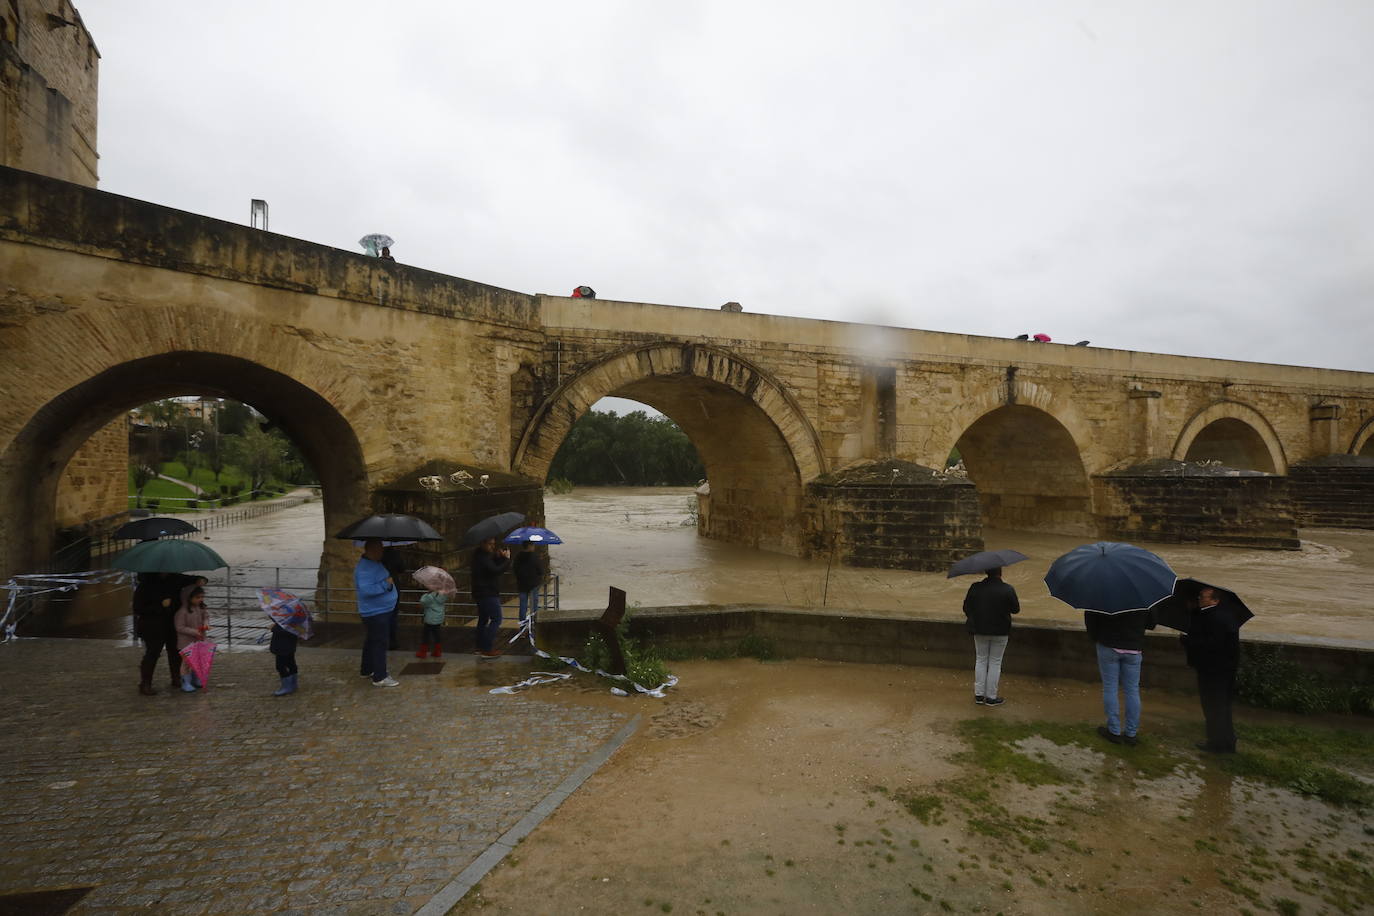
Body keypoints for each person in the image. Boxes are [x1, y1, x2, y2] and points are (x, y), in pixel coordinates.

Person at [1182, 586, 1242, 753]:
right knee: (1221, 706)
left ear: (1215, 600)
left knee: (1213, 706)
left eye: (1203, 596)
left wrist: (1187, 642)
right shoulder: (1223, 615)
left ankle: (1217, 744)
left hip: (1213, 670)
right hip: (1224, 670)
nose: (1199, 599)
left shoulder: (1215, 618)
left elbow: (1210, 644)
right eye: (1199, 596)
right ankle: (1226, 741)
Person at [1085, 606, 1156, 746]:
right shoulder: (1143, 597)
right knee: (1132, 691)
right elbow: (1151, 624)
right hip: (1134, 648)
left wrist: (1096, 638)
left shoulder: (1103, 593)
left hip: (1108, 645)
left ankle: (1114, 731)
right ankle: (1131, 734)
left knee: (1110, 688)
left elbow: (1091, 619)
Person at [962, 567, 1019, 707]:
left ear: (986, 573)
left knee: (981, 660)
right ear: (1000, 573)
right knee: (995, 662)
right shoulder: (1007, 589)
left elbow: (966, 608)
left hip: (980, 629)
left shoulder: (975, 587)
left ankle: (979, 695)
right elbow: (1015, 609)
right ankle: (991, 697)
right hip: (1001, 631)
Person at [133, 571, 194, 695]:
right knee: (152, 653)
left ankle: (176, 678)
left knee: (175, 651)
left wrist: (200, 579)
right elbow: (138, 608)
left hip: (172, 623)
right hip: (152, 626)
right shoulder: (145, 585)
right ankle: (145, 683)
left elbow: (188, 580)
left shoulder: (175, 579)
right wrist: (160, 606)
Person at [355, 539, 400, 687]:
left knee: (371, 640)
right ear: (371, 550)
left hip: (380, 610)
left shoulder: (373, 563)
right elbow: (366, 590)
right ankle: (380, 676)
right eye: (380, 549)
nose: (382, 551)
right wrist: (386, 584)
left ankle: (366, 669)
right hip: (376, 612)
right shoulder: (365, 569)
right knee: (380, 643)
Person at [470, 537, 512, 658]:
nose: (493, 547)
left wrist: (499, 557)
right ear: (483, 543)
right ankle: (487, 649)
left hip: (480, 592)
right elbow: (495, 570)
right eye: (490, 544)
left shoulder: (479, 555)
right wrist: (507, 560)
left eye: (493, 544)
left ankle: (479, 647)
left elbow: (491, 567)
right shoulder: (483, 558)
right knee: (497, 619)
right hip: (487, 593)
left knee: (483, 619)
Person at [172, 584, 210, 693]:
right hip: (186, 642)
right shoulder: (182, 612)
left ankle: (195, 678)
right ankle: (186, 682)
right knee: (186, 663)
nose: (200, 600)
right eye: (198, 597)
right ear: (188, 598)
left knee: (197, 661)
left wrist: (206, 624)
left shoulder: (201, 608)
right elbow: (179, 627)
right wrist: (194, 631)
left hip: (199, 640)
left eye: (202, 597)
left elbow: (206, 617)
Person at [380, 545, 405, 651]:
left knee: (382, 614)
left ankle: (383, 640)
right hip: (395, 586)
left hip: (382, 585)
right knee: (393, 616)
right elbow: (402, 569)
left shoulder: (379, 555)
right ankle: (393, 641)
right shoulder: (396, 554)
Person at [514, 543, 545, 625]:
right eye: (533, 545)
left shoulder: (518, 557)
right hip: (533, 585)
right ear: (529, 546)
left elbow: (515, 569)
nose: (534, 547)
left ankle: (522, 628)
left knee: (523, 607)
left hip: (522, 585)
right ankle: (534, 625)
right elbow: (540, 571)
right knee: (534, 607)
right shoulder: (534, 557)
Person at [269, 621, 300, 696]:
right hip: (289, 645)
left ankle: (286, 687)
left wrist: (273, 628)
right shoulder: (294, 618)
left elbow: (284, 631)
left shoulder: (285, 618)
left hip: (282, 647)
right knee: (291, 663)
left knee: (280, 666)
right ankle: (293, 684)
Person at [417, 585, 446, 659]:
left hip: (430, 619)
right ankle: (437, 651)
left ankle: (423, 652)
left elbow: (422, 602)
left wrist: (427, 594)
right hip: (438, 619)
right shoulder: (443, 595)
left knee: (425, 636)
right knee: (437, 635)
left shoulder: (430, 596)